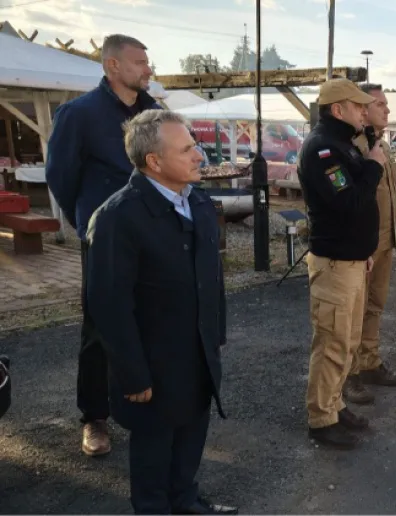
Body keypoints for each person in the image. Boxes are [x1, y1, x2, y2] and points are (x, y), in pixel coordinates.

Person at [86, 110, 235, 515]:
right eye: (187, 149)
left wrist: (215, 336)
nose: (199, 156)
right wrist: (133, 373)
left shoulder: (199, 204)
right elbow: (109, 305)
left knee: (190, 440)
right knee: (154, 457)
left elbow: (212, 279)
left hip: (198, 355)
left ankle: (186, 502)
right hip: (152, 367)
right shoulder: (118, 217)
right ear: (154, 161)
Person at [45, 34, 158, 457]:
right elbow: (61, 178)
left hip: (154, 236)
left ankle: (147, 402)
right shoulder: (79, 114)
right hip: (106, 240)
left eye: (147, 61)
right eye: (139, 62)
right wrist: (89, 223)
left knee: (153, 320)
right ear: (112, 66)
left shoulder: (154, 113)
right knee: (100, 328)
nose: (147, 69)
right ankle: (95, 417)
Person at [297, 78, 383, 449]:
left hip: (350, 261)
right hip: (333, 264)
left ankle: (335, 403)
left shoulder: (343, 146)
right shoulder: (323, 151)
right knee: (332, 343)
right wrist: (375, 167)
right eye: (358, 105)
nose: (364, 111)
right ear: (338, 110)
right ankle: (321, 418)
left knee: (346, 341)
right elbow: (348, 202)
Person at [342, 84, 396, 407]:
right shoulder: (353, 147)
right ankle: (349, 374)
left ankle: (369, 361)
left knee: (376, 306)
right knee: (354, 313)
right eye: (381, 104)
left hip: (385, 240)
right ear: (363, 109)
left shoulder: (380, 145)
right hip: (363, 244)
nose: (387, 110)